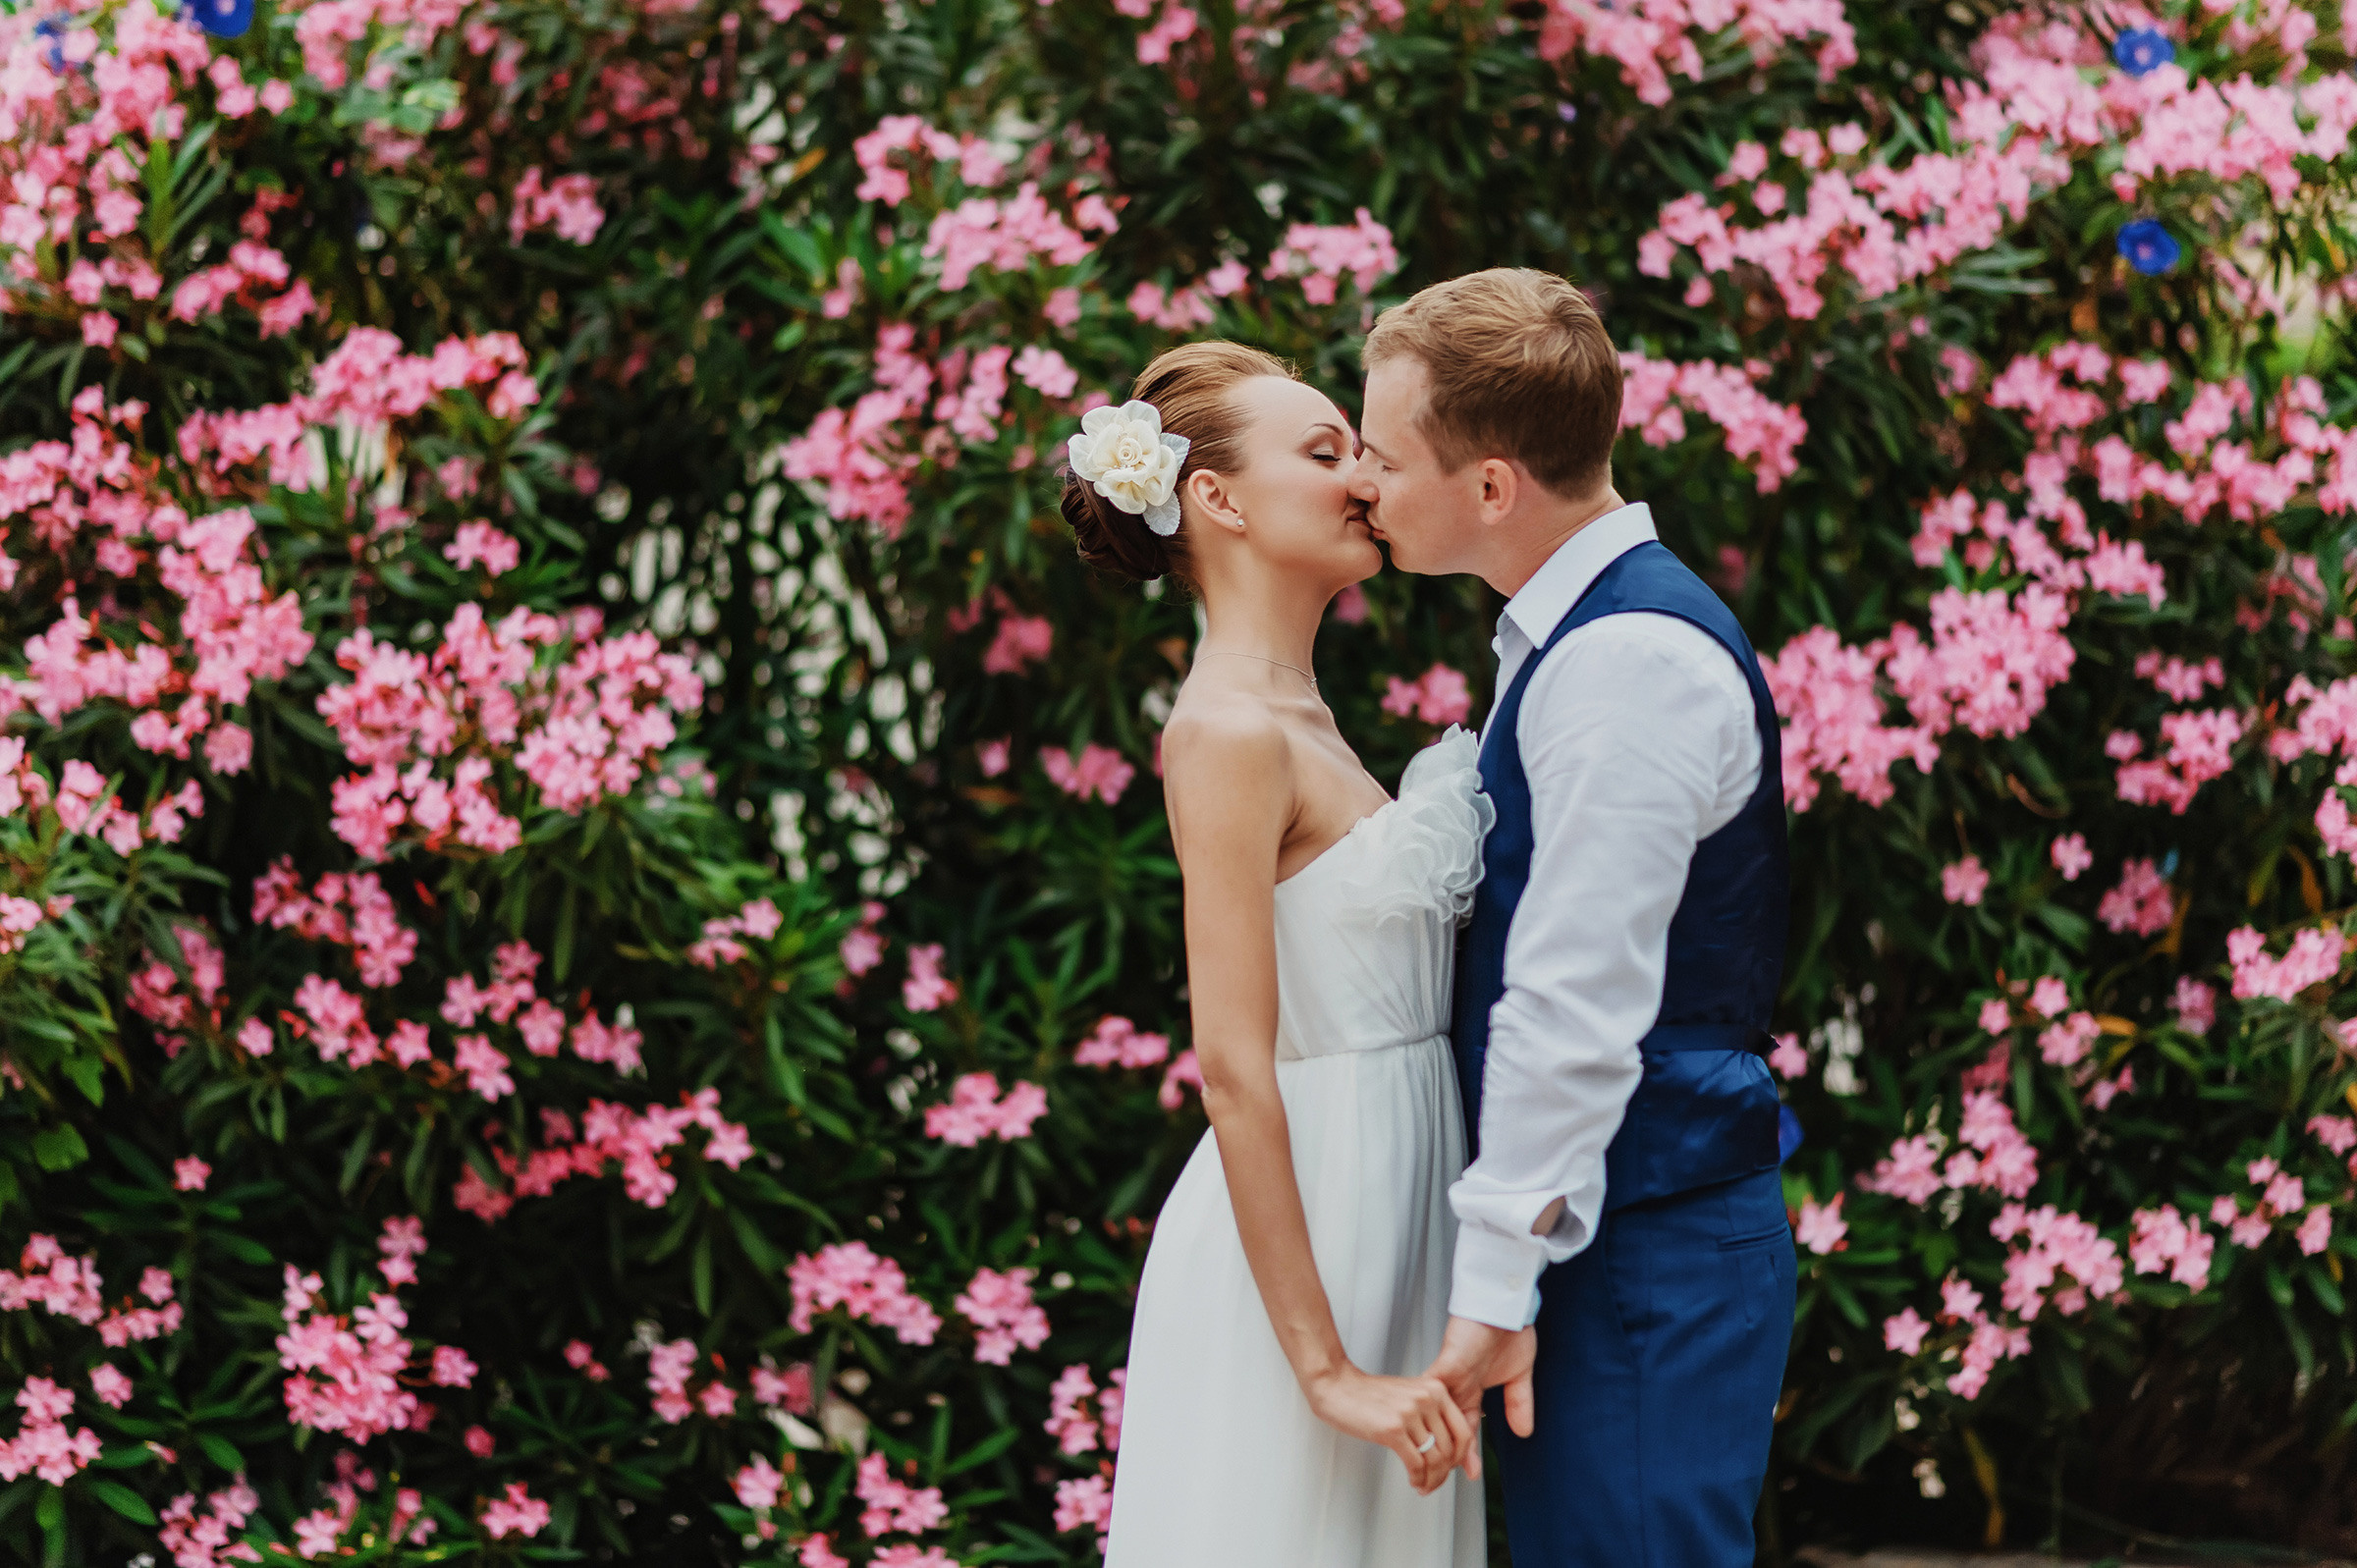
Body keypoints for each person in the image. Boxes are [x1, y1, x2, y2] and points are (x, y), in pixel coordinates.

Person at [1352, 267, 1797, 1567]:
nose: (1365, 483)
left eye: (1383, 454)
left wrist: (1495, 1284)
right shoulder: (1574, 638)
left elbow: (1575, 998)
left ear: (1492, 487)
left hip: (1642, 1255)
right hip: (1612, 1234)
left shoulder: (1624, 667)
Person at [1064, 342, 1488, 1568]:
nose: (1365, 476)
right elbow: (1234, 1064)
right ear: (1220, 499)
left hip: (1401, 1199)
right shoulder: (1226, 730)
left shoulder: (1303, 714)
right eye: (1325, 451)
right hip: (1317, 1230)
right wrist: (1325, 1368)